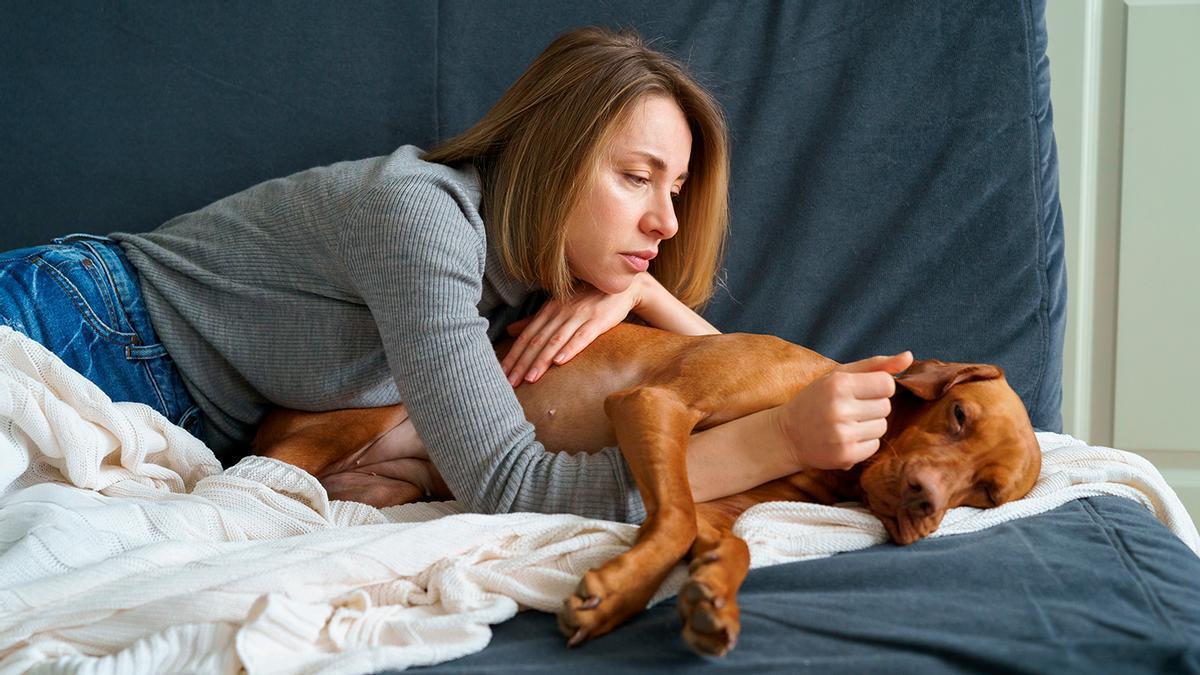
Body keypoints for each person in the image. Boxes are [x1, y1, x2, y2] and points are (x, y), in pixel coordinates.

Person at [0, 26, 911, 523]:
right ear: (550, 154)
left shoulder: (524, 285)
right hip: (77, 322)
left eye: (674, 189)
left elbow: (733, 377)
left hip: (166, 414)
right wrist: (779, 445)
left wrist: (644, 290)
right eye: (636, 178)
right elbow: (509, 487)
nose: (666, 221)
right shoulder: (421, 219)